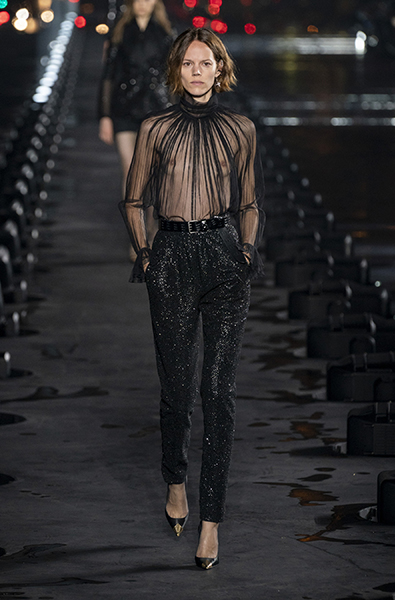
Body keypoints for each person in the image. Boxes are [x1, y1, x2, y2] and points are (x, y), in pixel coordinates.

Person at [120, 27, 265, 570]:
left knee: (219, 394)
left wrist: (245, 250)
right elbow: (133, 199)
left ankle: (211, 525)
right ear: (176, 71)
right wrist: (145, 255)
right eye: (188, 63)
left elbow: (249, 201)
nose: (197, 71)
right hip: (172, 258)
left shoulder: (241, 128)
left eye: (206, 63)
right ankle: (175, 481)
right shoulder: (155, 128)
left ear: (219, 69)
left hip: (225, 259)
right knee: (177, 389)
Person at [98, 0, 173, 190]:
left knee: (153, 173)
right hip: (123, 108)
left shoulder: (165, 34)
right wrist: (105, 116)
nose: (142, 4)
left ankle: (149, 212)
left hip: (156, 108)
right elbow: (108, 75)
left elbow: (173, 76)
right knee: (131, 170)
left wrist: (175, 113)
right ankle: (131, 211)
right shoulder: (120, 32)